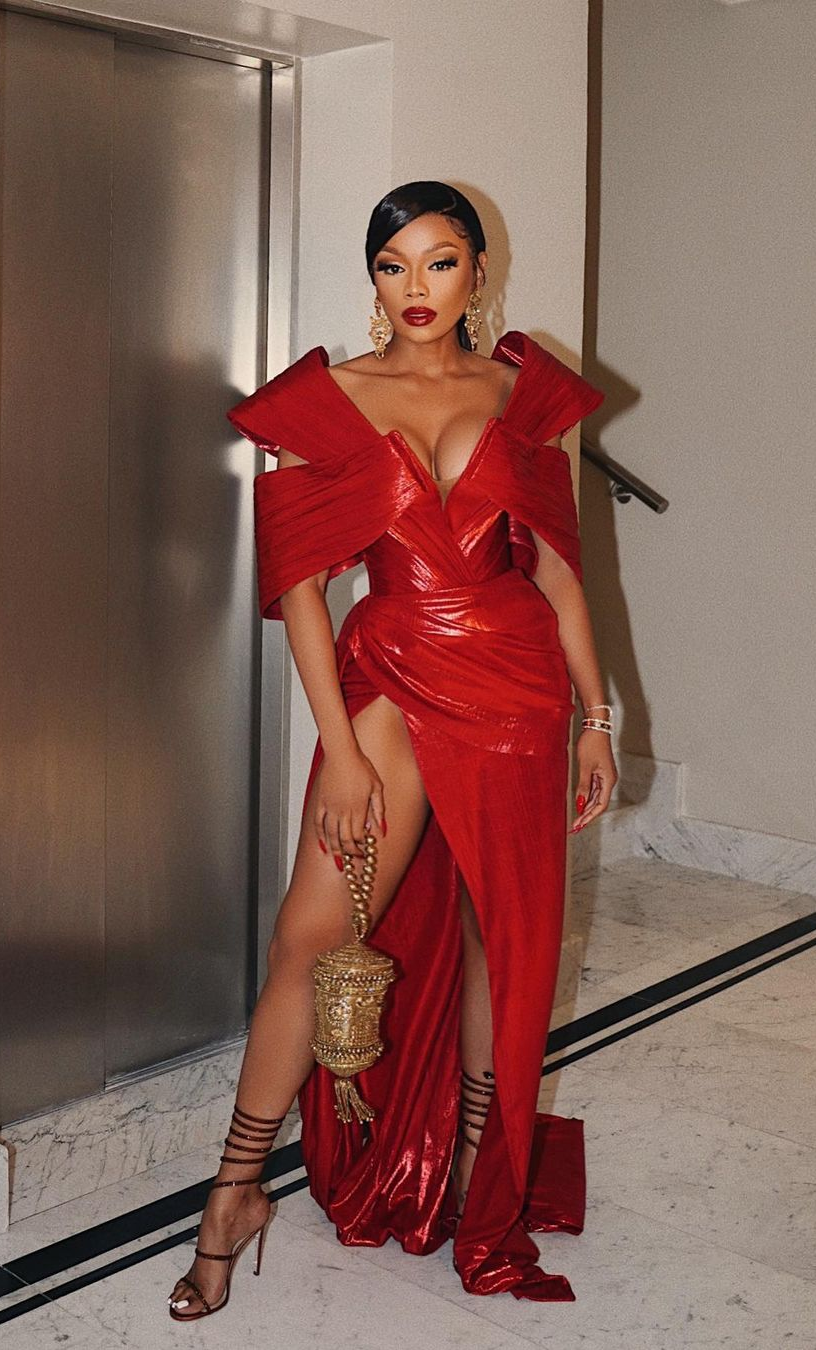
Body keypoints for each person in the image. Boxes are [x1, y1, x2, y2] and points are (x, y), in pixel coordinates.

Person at [168, 180, 616, 1322]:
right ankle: (233, 1192)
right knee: (307, 939)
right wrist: (343, 749)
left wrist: (598, 716)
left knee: (496, 937)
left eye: (440, 262)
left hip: (516, 689)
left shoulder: (528, 393)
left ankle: (471, 1172)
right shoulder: (322, 402)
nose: (416, 287)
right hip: (391, 679)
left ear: (478, 272)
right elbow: (303, 592)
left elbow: (558, 570)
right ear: (371, 277)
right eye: (392, 264)